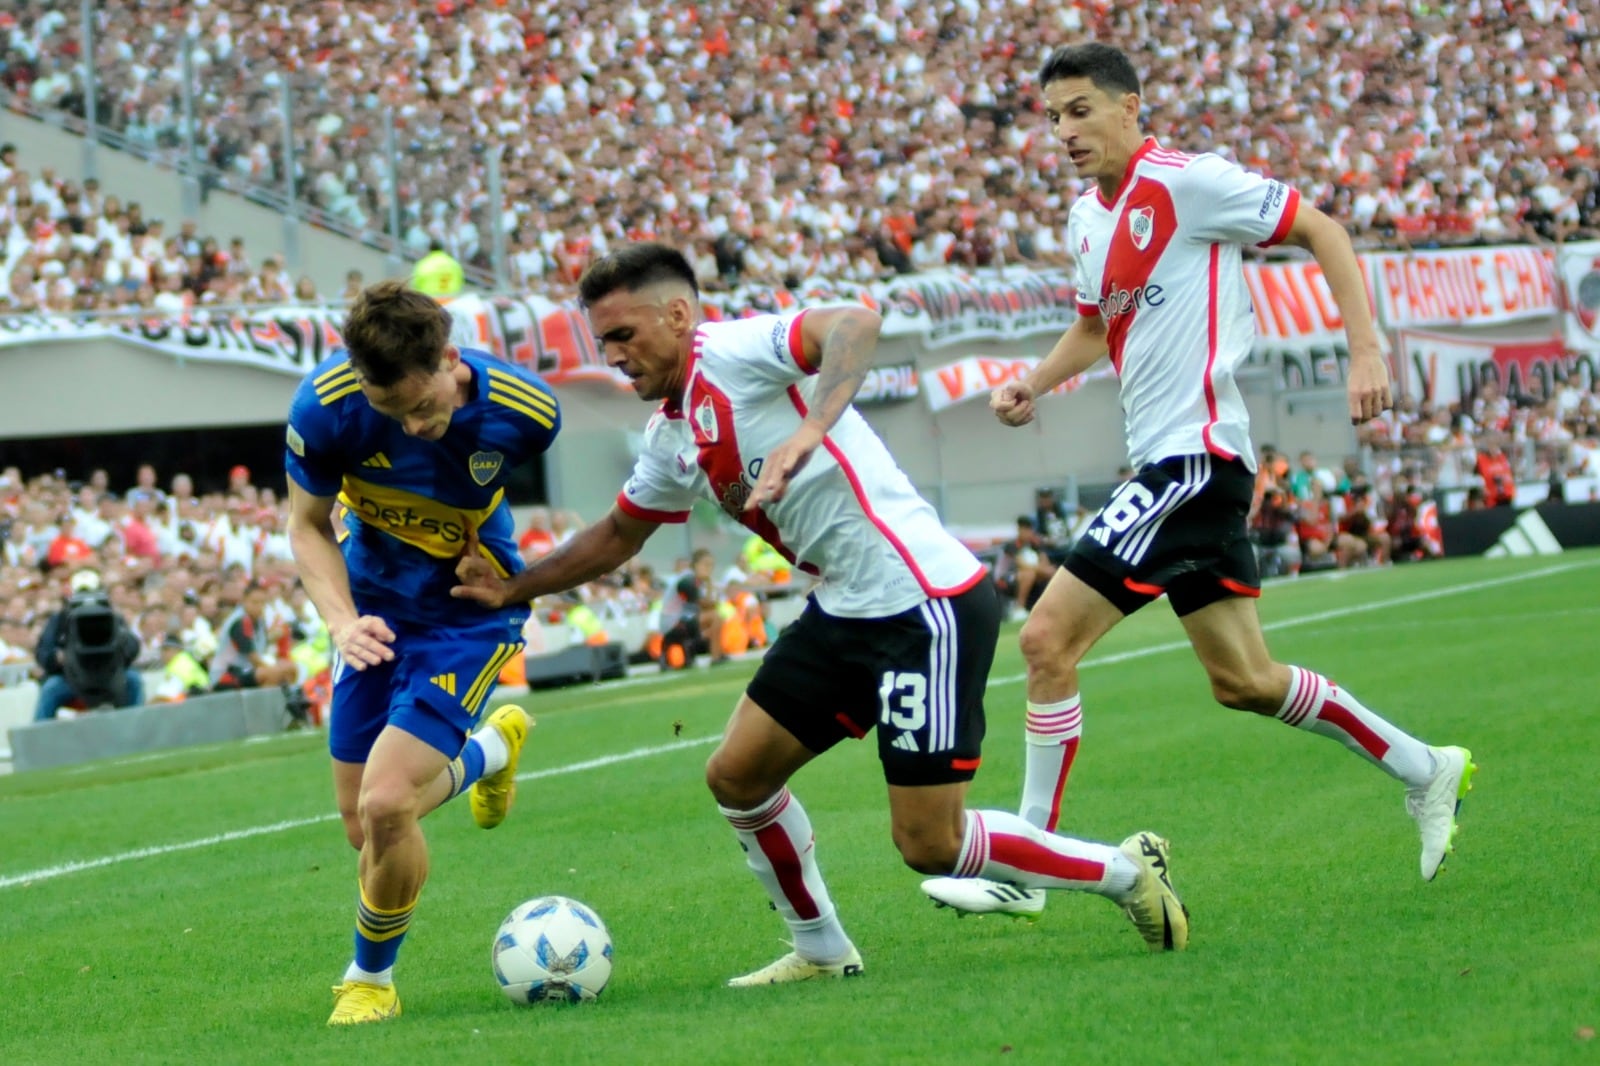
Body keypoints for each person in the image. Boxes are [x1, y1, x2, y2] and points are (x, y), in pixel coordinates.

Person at [453, 242, 1192, 989]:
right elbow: (619, 534)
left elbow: (855, 322)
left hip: (921, 605)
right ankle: (821, 948)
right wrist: (515, 589)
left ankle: (1128, 872)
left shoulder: (733, 352)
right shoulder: (671, 433)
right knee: (737, 777)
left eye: (622, 336)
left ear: (678, 315)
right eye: (601, 341)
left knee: (931, 843)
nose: (613, 356)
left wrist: (809, 432)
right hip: (843, 610)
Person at [920, 43, 1475, 921]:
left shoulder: (1186, 183)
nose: (1064, 131)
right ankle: (1424, 767)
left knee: (1044, 642)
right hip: (1173, 467)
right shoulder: (1085, 220)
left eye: (1080, 110)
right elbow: (1098, 329)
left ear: (1132, 107)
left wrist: (1366, 347)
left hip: (1197, 458)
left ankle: (1030, 858)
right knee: (1245, 680)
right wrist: (1035, 380)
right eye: (1053, 117)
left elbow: (1320, 227)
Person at [284, 279, 561, 1024]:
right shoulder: (325, 407)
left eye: (422, 406)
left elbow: (496, 487)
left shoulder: (528, 412)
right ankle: (490, 753)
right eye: (390, 412)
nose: (410, 426)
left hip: (463, 617)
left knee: (387, 803)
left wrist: (499, 572)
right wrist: (341, 622)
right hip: (370, 613)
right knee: (361, 828)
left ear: (449, 359)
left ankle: (370, 980)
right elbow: (307, 525)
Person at [32, 568, 144, 719]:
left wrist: (121, 647)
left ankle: (137, 731)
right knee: (50, 688)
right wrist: (56, 657)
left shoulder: (112, 617)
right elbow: (43, 652)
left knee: (134, 680)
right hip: (72, 679)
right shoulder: (60, 620)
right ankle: (39, 738)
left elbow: (133, 647)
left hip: (110, 676)